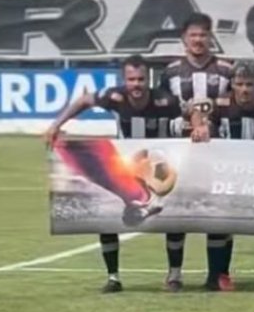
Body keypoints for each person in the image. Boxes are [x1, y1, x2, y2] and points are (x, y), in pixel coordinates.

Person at [43, 55, 184, 294]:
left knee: (173, 219)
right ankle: (113, 278)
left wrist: (196, 128)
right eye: (131, 79)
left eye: (141, 79)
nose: (136, 84)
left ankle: (174, 275)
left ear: (148, 79)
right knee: (107, 219)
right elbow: (84, 100)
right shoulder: (114, 97)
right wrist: (56, 125)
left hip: (159, 164)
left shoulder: (165, 100)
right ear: (124, 80)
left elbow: (188, 115)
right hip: (127, 164)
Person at [191, 61, 254, 292]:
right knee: (219, 222)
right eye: (239, 84)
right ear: (232, 84)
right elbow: (202, 121)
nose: (244, 89)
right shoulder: (221, 104)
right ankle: (217, 276)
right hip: (230, 176)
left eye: (249, 84)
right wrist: (202, 127)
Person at [158, 13, 235, 291]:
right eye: (193, 35)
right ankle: (174, 273)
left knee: (219, 213)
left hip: (218, 153)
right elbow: (163, 107)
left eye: (203, 34)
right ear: (184, 38)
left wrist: (213, 127)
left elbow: (234, 106)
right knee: (177, 211)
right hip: (181, 153)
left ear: (210, 37)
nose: (198, 39)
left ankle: (218, 274)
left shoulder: (227, 69)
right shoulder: (171, 72)